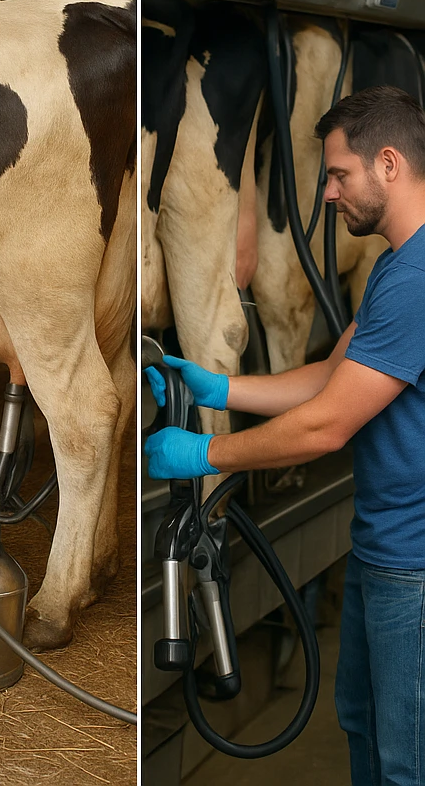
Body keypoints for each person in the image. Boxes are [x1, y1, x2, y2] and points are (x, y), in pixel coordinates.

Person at [144, 85, 425, 786]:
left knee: (405, 763)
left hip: (414, 567)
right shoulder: (397, 264)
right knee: (364, 727)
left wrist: (205, 452)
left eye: (339, 175)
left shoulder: (418, 276)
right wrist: (220, 388)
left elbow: (328, 424)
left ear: (388, 164)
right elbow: (331, 377)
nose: (328, 194)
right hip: (384, 549)